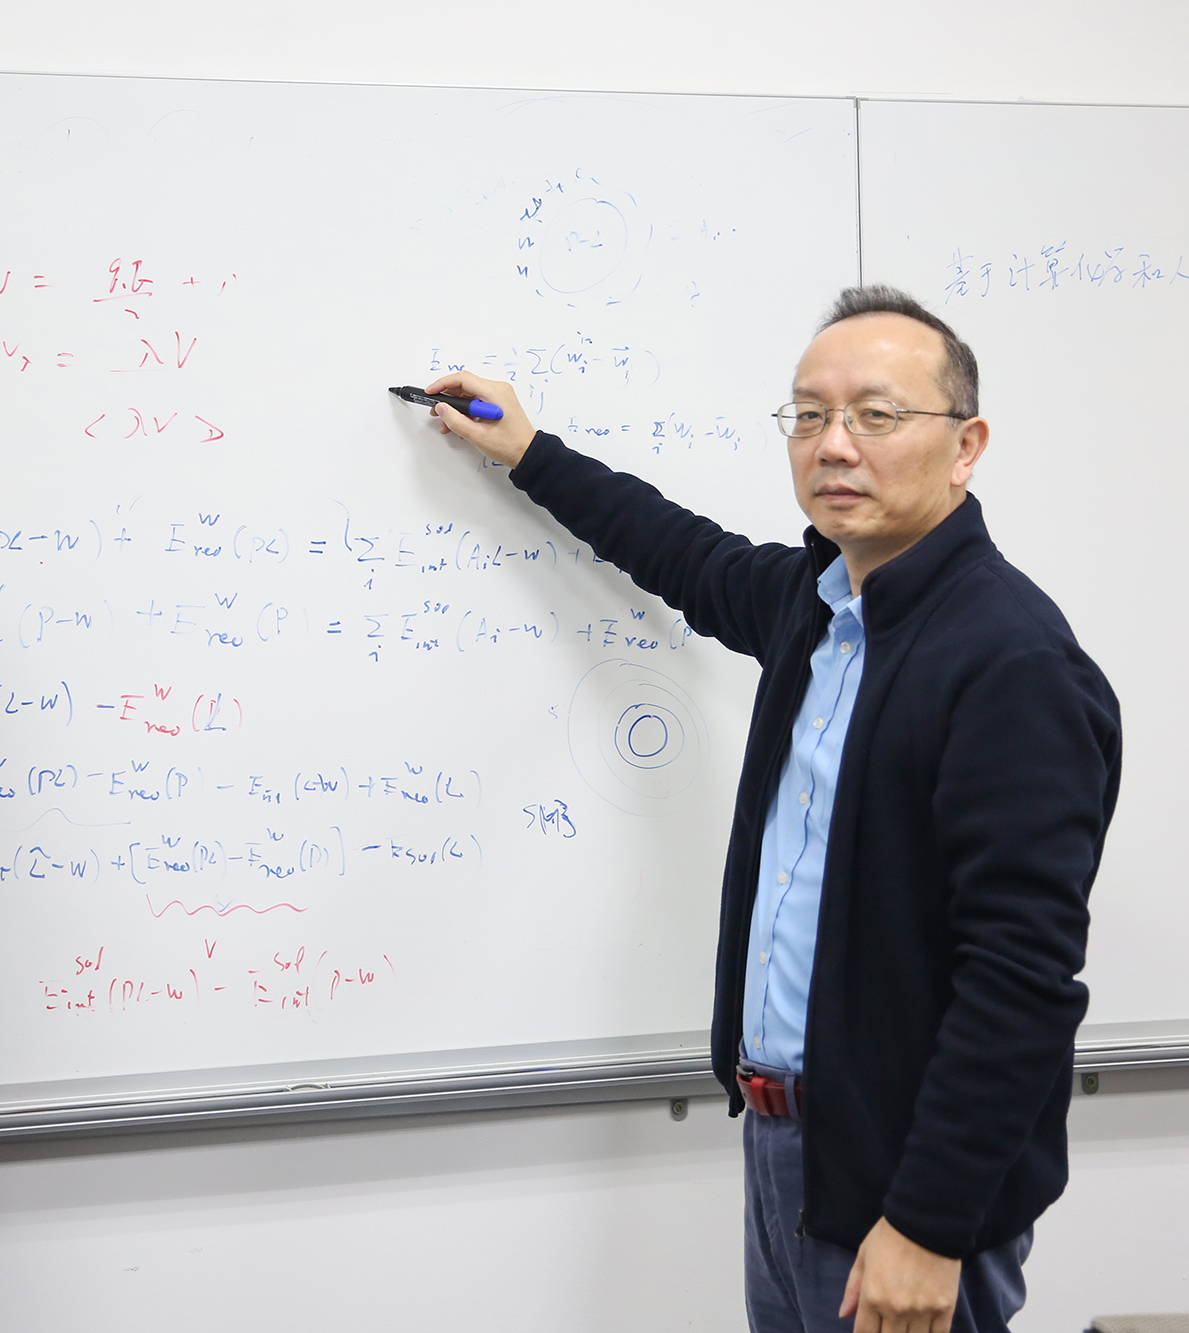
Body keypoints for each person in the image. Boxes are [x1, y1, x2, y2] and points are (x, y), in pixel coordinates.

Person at [420, 286, 1121, 1333]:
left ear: (964, 446)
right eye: (808, 414)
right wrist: (527, 451)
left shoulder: (1006, 661)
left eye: (876, 415)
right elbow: (680, 552)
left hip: (901, 1183)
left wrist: (928, 1224)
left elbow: (1020, 979)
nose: (833, 444)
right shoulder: (820, 606)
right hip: (786, 1143)